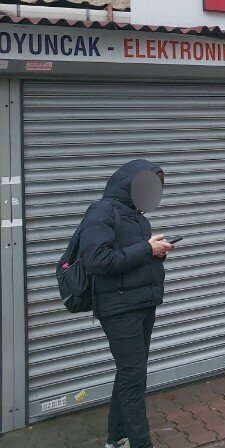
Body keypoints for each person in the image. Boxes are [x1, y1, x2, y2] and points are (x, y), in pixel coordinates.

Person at [80, 160, 174, 448]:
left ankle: (115, 438)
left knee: (129, 374)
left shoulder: (135, 216)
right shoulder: (102, 211)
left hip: (142, 304)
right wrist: (146, 248)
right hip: (120, 310)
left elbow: (131, 257)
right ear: (129, 182)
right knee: (134, 380)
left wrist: (156, 252)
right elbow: (98, 260)